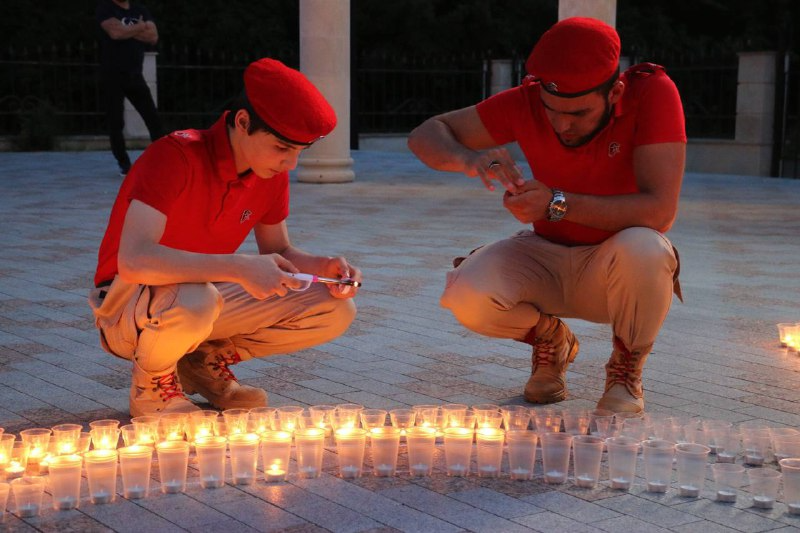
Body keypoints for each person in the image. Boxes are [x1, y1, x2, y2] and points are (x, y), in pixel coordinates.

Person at [407, 17, 686, 414]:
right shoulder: (527, 101)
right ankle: (551, 340)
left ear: (616, 91)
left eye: (578, 113)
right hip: (546, 256)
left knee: (647, 247)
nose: (562, 124)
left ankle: (625, 370)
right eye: (552, 110)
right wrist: (471, 159)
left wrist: (556, 203)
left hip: (615, 270)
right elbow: (426, 134)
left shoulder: (652, 92)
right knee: (465, 293)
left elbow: (660, 211)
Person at [88, 58, 360, 418]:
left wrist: (324, 267)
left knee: (333, 307)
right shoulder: (175, 157)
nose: (290, 164)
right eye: (282, 148)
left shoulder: (269, 174)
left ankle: (201, 362)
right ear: (243, 122)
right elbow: (135, 260)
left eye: (299, 151)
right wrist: (239, 267)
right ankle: (151, 388)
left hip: (199, 298)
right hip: (125, 305)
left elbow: (278, 250)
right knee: (197, 297)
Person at [96, 0, 164, 176]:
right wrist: (139, 27)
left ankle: (163, 159)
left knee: (153, 119)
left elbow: (153, 37)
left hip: (135, 74)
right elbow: (115, 33)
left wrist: (128, 31)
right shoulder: (106, 8)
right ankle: (124, 163)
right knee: (115, 122)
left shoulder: (140, 9)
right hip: (112, 75)